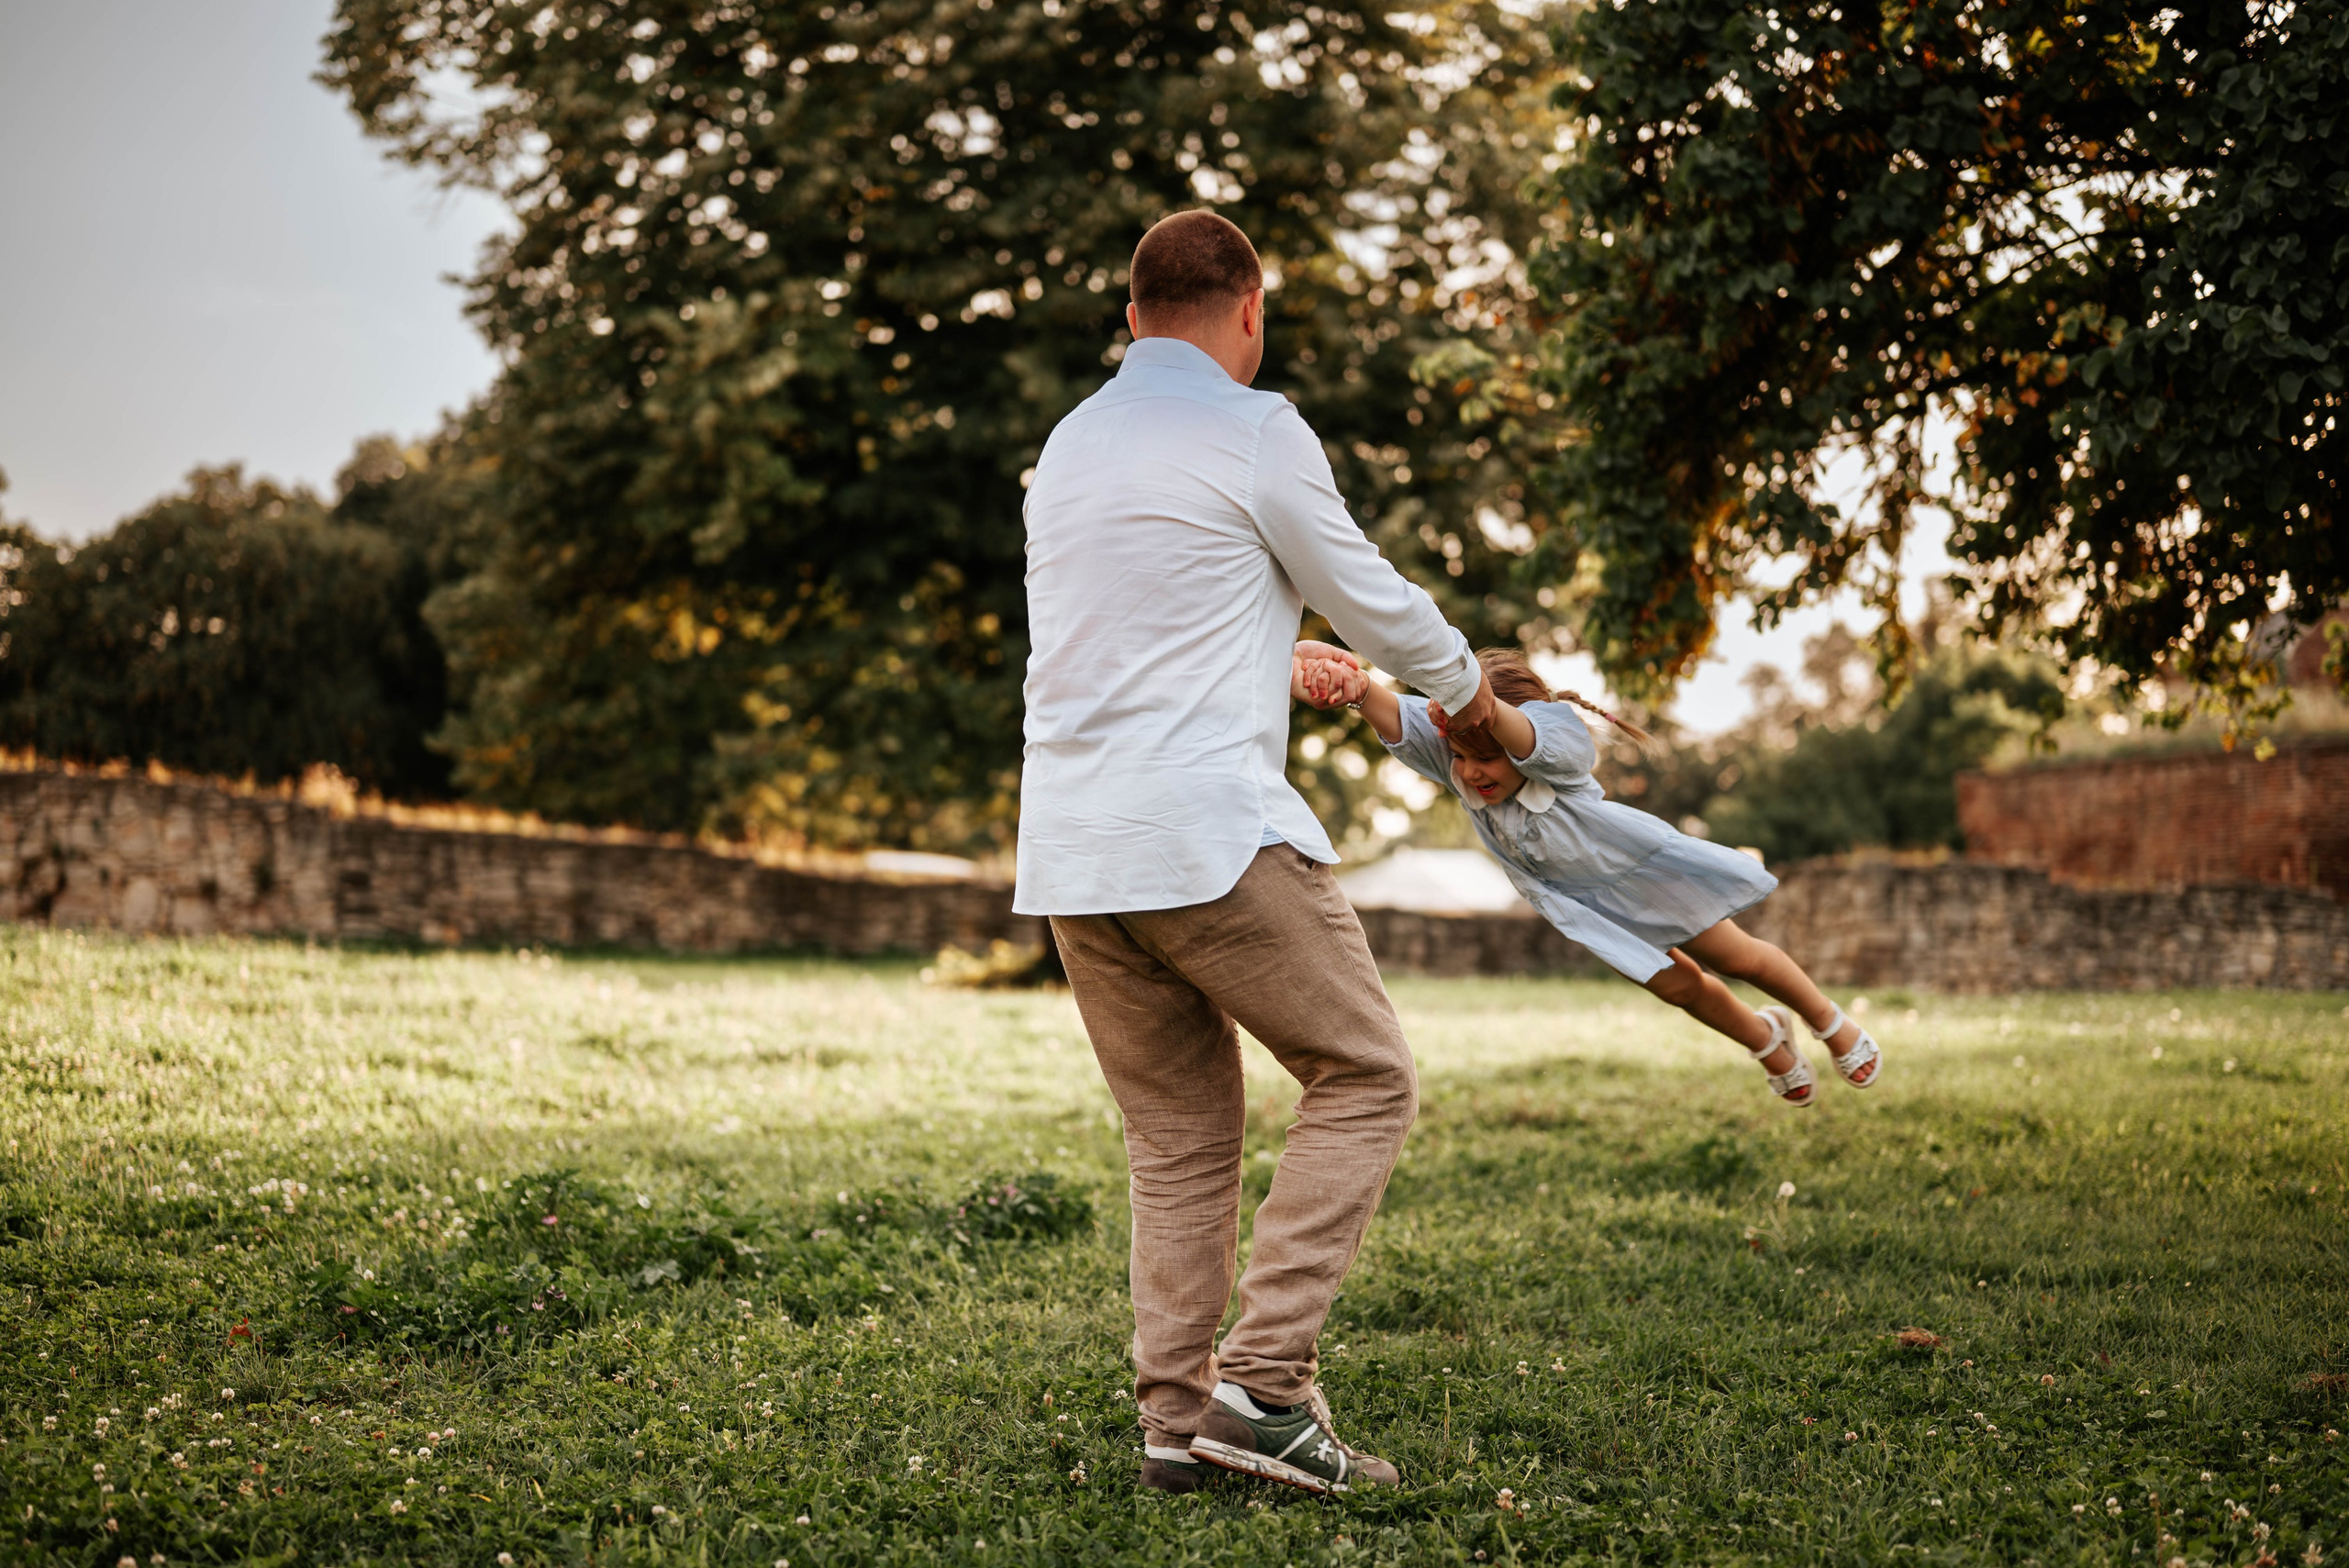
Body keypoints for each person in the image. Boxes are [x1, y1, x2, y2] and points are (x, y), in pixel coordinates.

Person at [1016, 209, 1497, 1497]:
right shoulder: (1256, 426)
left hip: (1074, 852)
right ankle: (1266, 1386)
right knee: (1368, 1074)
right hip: (1208, 838)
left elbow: (1115, 643)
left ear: (1131, 318)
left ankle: (1177, 1426)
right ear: (1250, 312)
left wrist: (1260, 659)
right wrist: (1471, 699)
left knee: (1176, 1138)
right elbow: (1373, 589)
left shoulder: (1067, 449)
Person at [1297, 644, 1883, 1103]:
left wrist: (1479, 701)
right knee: (1678, 987)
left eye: (1488, 755)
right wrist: (1351, 685)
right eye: (1461, 757)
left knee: (1738, 957)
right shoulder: (1457, 757)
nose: (1472, 773)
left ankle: (1830, 1022)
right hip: (1586, 908)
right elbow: (1387, 709)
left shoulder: (1555, 745)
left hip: (1644, 877)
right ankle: (1766, 1037)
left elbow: (1529, 737)